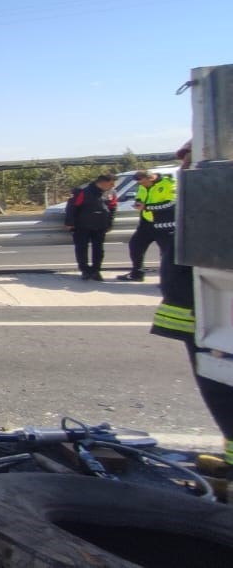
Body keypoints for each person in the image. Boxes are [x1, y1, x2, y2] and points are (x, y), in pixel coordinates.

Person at [149, 143, 233, 467]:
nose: (184, 164)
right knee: (219, 387)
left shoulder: (213, 201)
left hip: (213, 316)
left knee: (222, 389)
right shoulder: (200, 201)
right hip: (202, 315)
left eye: (191, 158)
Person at [118, 170, 175, 281]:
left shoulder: (169, 183)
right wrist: (138, 202)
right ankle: (137, 273)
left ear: (151, 178)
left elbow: (171, 204)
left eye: (143, 182)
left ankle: (167, 280)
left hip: (164, 224)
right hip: (146, 223)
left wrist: (147, 207)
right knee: (135, 246)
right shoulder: (142, 186)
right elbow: (140, 196)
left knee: (166, 253)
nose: (141, 185)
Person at [64, 173, 118, 281]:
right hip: (82, 225)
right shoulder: (82, 190)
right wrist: (69, 223)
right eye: (111, 184)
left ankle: (96, 270)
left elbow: (113, 208)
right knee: (82, 248)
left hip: (100, 225)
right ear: (103, 182)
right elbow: (71, 207)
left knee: (98, 249)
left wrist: (110, 223)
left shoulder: (111, 192)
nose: (113, 186)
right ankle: (85, 270)